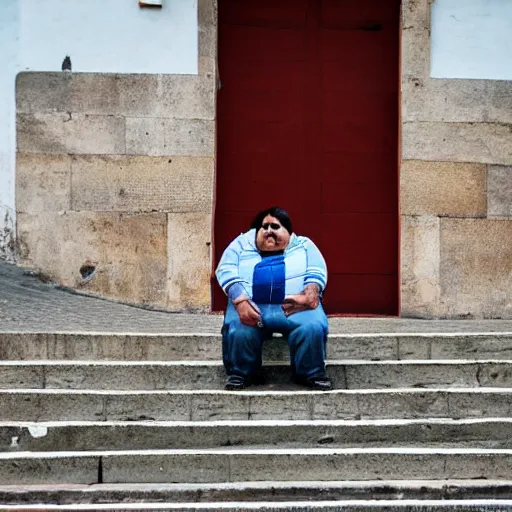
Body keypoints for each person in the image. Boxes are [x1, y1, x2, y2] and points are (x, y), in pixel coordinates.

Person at [216, 206, 332, 391]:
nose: (269, 231)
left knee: (311, 327)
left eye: (276, 226)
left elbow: (316, 270)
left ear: (289, 232)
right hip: (250, 304)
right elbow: (226, 269)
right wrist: (240, 300)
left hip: (295, 306)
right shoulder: (241, 244)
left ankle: (311, 373)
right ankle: (241, 374)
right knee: (239, 331)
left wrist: (310, 294)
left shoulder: (304, 245)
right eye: (265, 226)